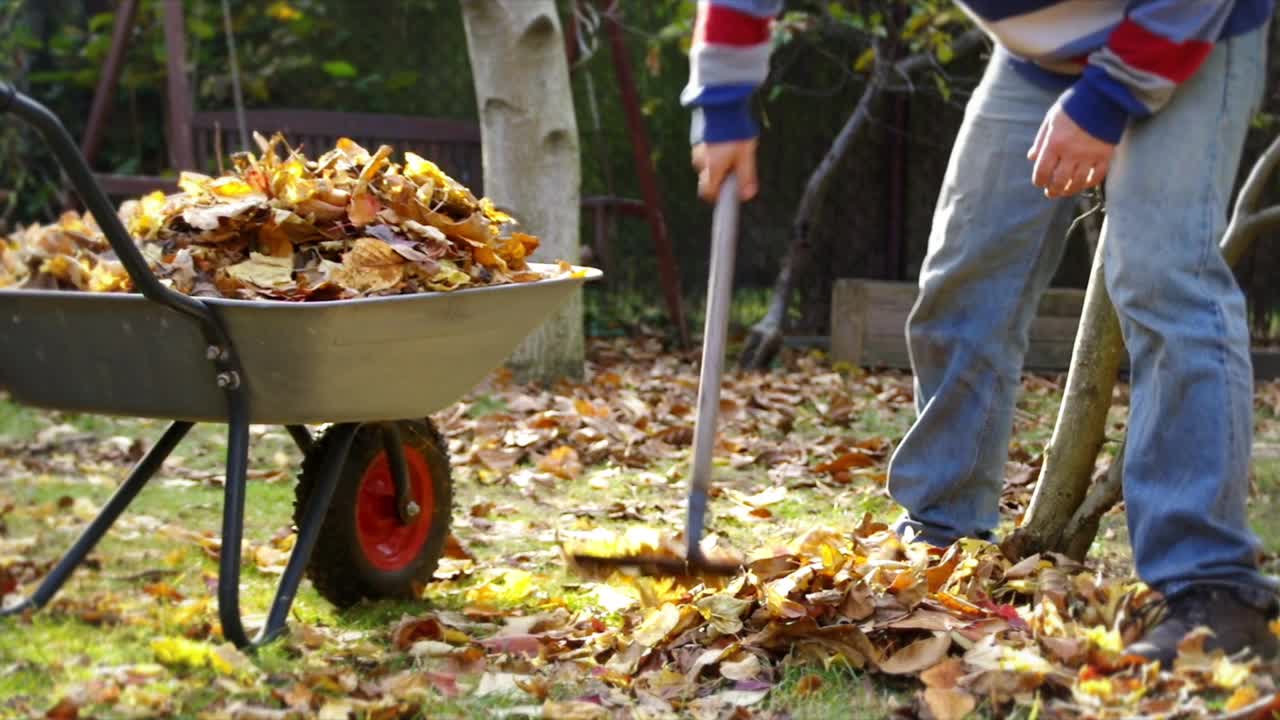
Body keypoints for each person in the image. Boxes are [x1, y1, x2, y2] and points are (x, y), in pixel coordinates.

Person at [682, 0, 1279, 664]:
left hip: (1187, 25)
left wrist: (1106, 101)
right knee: (966, 276)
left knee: (1162, 276)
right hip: (1040, 56)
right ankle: (942, 543)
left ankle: (1213, 590)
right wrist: (725, 100)